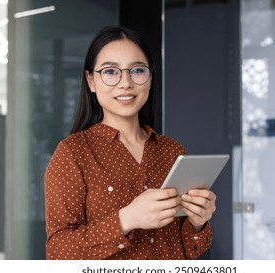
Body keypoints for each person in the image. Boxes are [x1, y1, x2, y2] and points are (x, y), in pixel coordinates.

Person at [44, 26, 216, 260]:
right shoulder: (73, 153)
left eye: (137, 70)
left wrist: (199, 221)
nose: (125, 83)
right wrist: (127, 219)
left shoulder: (172, 151)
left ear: (150, 78)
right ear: (91, 80)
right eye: (111, 72)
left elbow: (187, 250)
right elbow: (57, 253)